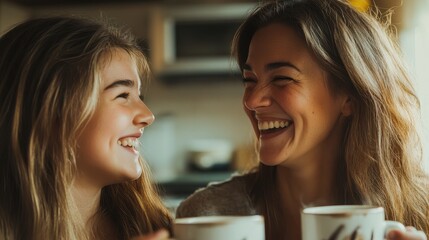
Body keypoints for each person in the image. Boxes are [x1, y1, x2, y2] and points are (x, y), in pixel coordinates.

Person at [176, 0, 429, 239]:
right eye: (249, 80)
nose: (252, 101)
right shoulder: (207, 214)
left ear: (349, 97)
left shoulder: (421, 208)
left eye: (282, 78)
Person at [0, 17, 172, 240]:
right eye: (122, 95)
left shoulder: (157, 225)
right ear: (49, 113)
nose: (148, 116)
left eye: (139, 96)